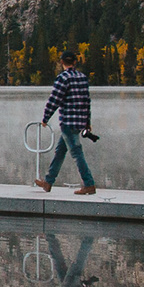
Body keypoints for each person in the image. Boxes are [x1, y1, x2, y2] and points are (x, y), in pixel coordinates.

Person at [36, 49, 98, 195]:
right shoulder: (82, 78)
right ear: (75, 62)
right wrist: (87, 122)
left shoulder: (63, 78)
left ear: (62, 62)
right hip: (80, 121)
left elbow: (54, 100)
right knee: (60, 151)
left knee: (76, 153)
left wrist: (45, 118)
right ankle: (48, 182)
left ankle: (89, 184)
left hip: (68, 122)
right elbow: (87, 101)